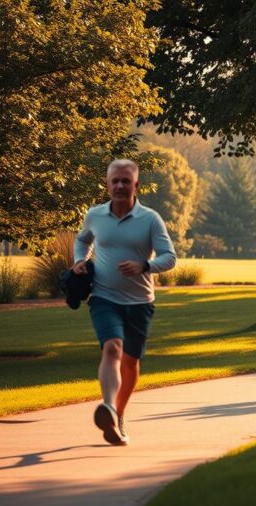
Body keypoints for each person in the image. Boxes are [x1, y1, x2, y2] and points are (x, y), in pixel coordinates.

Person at [73, 159, 177, 446]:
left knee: (130, 363)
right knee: (112, 347)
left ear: (136, 185)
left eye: (125, 181)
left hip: (140, 302)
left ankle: (118, 415)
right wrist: (80, 260)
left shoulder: (150, 219)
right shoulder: (95, 215)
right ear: (107, 184)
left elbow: (170, 257)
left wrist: (144, 265)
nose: (119, 185)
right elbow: (82, 241)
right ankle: (107, 405)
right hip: (104, 297)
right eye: (114, 181)